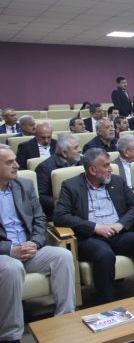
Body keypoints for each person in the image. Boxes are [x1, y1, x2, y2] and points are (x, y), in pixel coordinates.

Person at [54, 148, 134, 304]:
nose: (111, 169)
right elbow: (60, 216)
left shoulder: (117, 181)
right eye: (106, 165)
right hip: (91, 237)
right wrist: (94, 227)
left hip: (118, 233)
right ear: (92, 170)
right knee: (105, 255)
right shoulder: (71, 186)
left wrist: (120, 224)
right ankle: (106, 303)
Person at [0, 144, 76, 343]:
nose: (17, 165)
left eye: (15, 160)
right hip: (4, 255)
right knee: (12, 268)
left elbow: (40, 219)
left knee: (63, 256)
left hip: (29, 248)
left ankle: (66, 320)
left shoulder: (24, 186)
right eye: (9, 162)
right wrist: (11, 250)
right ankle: (10, 335)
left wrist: (35, 242)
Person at [35, 134, 82, 220]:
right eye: (76, 148)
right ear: (64, 153)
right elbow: (41, 197)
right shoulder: (44, 168)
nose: (80, 150)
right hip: (60, 213)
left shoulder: (82, 162)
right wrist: (63, 203)